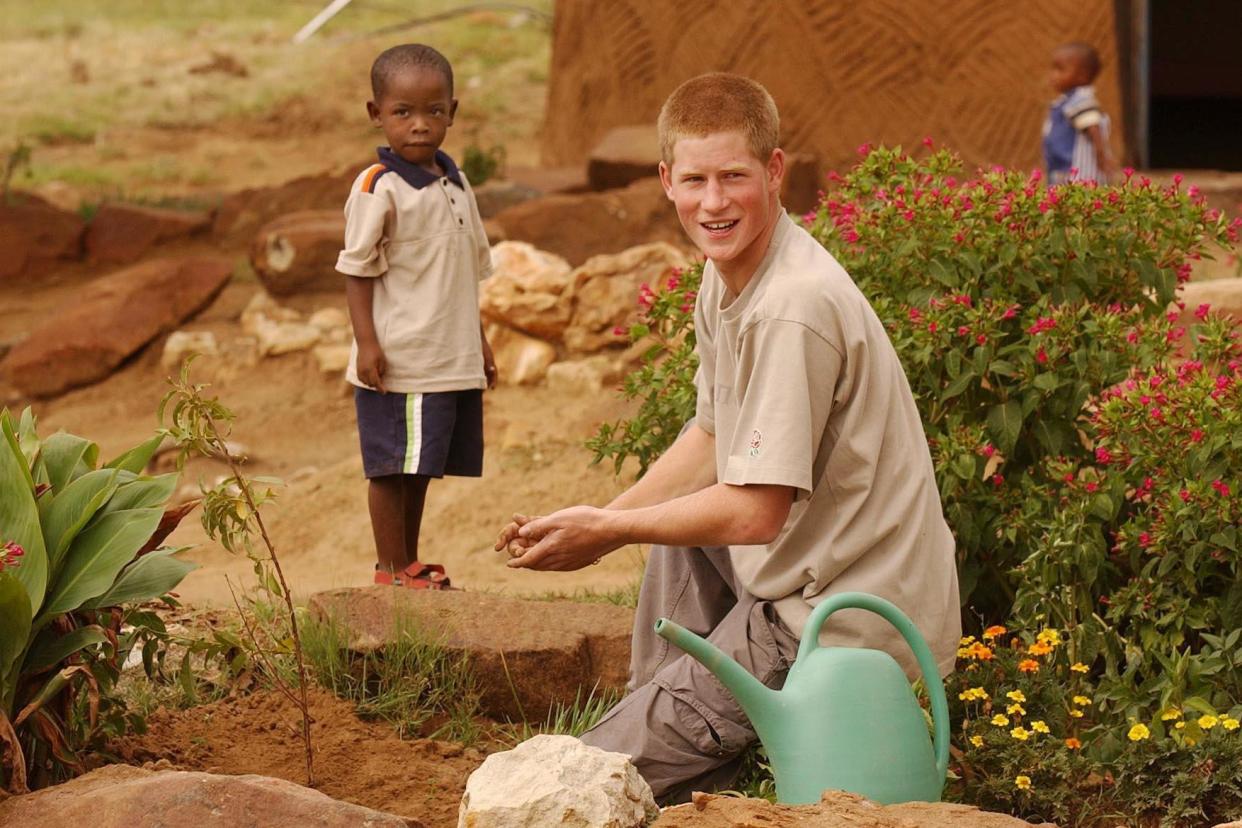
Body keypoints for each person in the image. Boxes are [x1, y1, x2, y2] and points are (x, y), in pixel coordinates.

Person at [495, 72, 960, 801]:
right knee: (666, 532)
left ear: (775, 171)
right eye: (696, 180)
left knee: (581, 783)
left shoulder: (792, 307)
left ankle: (665, 738)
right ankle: (673, 716)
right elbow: (714, 432)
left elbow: (754, 511)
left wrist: (608, 532)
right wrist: (606, 519)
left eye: (734, 177)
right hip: (797, 574)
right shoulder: (730, 272)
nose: (714, 203)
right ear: (665, 180)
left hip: (840, 621)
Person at [338, 43, 496, 590]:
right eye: (403, 112)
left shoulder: (457, 183)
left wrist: (479, 342)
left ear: (453, 111)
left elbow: (464, 274)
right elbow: (357, 271)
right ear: (376, 114)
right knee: (390, 466)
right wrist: (367, 345)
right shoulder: (377, 187)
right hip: (400, 357)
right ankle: (389, 570)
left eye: (434, 111)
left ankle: (408, 561)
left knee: (422, 464)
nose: (420, 125)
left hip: (447, 357)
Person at [1043, 42, 1118, 184]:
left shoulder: (1080, 100)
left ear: (1082, 76)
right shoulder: (1067, 100)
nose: (1053, 75)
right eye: (1053, 69)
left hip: (1075, 171)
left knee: (1075, 200)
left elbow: (1092, 125)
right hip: (1062, 168)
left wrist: (1101, 155)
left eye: (1060, 69)